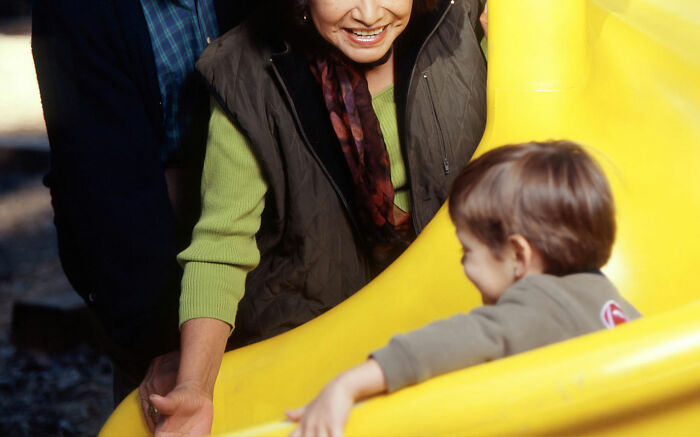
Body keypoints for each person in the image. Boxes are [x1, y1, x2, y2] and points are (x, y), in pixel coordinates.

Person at [142, 0, 488, 435]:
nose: (369, 14)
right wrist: (194, 384)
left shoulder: (464, 22)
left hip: (453, 324)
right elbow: (221, 247)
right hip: (318, 339)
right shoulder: (247, 74)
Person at [286, 140, 642, 437]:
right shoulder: (613, 304)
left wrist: (347, 385)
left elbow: (456, 340)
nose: (463, 266)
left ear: (518, 255)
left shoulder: (542, 305)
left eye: (467, 251)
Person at [31, 0, 255, 407]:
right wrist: (170, 349)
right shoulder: (77, 14)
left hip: (268, 268)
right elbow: (106, 200)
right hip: (148, 275)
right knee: (171, 405)